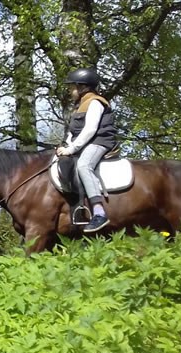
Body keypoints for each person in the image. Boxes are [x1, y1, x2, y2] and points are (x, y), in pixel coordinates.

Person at [55, 68, 117, 233]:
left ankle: (99, 212)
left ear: (83, 87)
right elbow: (73, 132)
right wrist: (65, 146)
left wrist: (72, 149)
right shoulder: (79, 106)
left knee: (84, 165)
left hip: (100, 142)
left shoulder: (95, 102)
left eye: (73, 87)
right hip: (87, 143)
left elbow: (90, 130)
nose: (70, 91)